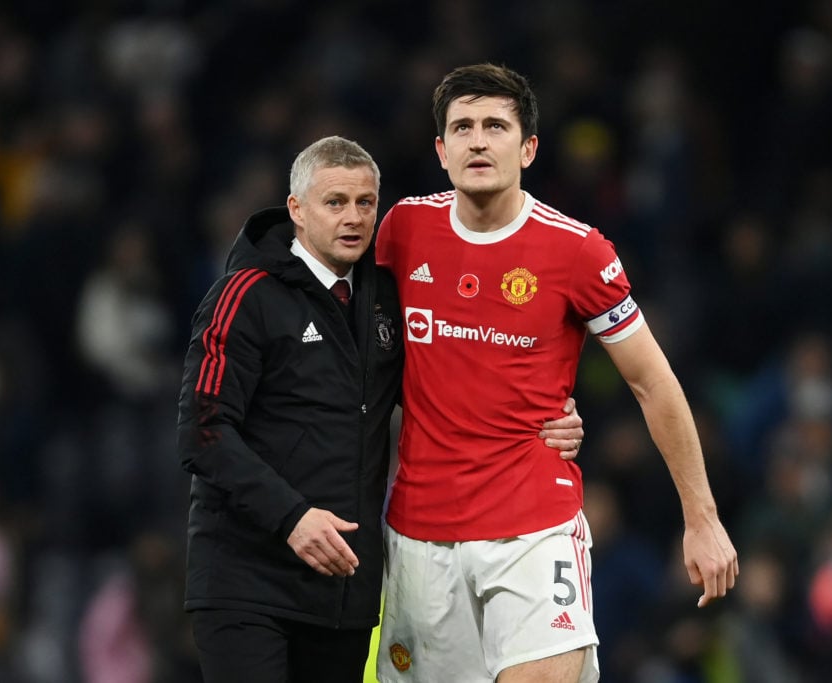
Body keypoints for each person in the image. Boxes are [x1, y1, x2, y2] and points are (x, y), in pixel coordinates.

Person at [374, 64, 739, 683]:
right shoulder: (404, 231)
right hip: (417, 537)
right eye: (462, 127)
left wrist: (701, 518)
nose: (478, 141)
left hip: (532, 528)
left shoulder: (577, 251)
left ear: (529, 147)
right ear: (441, 150)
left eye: (495, 125)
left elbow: (654, 383)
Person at [176, 135, 584, 683]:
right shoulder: (245, 295)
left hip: (343, 591)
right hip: (247, 582)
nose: (353, 217)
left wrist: (548, 417)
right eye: (335, 202)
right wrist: (290, 517)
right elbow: (202, 432)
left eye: (366, 203)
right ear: (296, 210)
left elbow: (449, 383)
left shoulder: (389, 298)